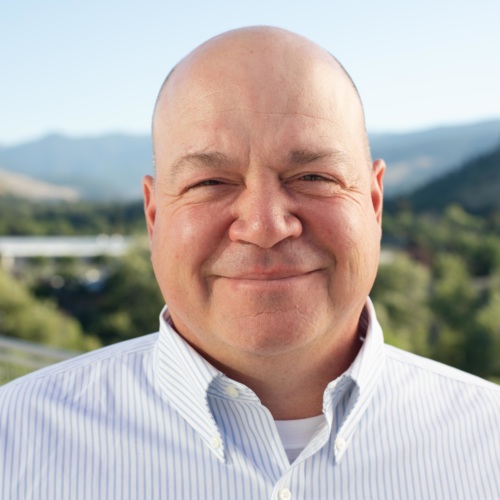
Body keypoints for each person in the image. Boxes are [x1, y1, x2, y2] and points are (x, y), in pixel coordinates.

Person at [0, 26, 498, 500]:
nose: (263, 226)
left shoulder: (489, 442)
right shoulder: (13, 443)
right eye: (210, 183)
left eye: (313, 176)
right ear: (154, 217)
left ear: (373, 201)